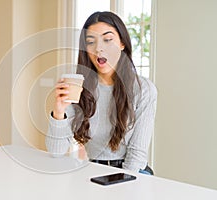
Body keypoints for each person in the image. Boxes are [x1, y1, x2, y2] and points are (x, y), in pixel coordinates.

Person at [46, 11, 157, 175]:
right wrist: (59, 111)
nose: (99, 48)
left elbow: (137, 153)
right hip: (95, 170)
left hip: (134, 172)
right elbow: (56, 152)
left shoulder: (143, 89)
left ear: (122, 43)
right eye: (91, 42)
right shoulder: (79, 87)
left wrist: (120, 185)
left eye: (107, 40)